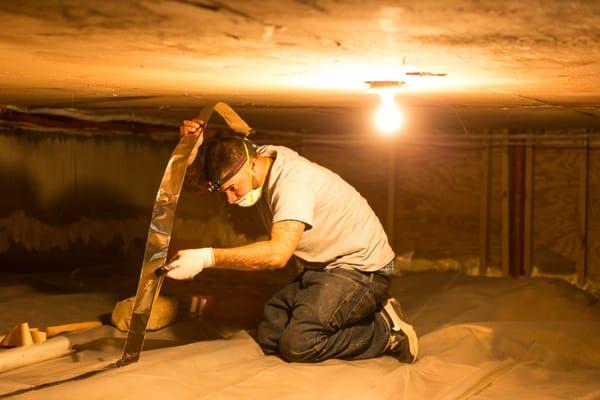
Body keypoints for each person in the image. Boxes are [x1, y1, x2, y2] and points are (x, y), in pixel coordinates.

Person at [164, 118, 418, 363]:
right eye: (225, 192)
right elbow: (206, 178)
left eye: (233, 188)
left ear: (252, 165)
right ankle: (352, 314)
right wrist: (191, 153)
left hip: (363, 271)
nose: (230, 200)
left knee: (299, 344)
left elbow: (278, 255)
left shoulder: (292, 184)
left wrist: (207, 258)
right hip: (323, 269)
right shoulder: (258, 156)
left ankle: (385, 331)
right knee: (270, 335)